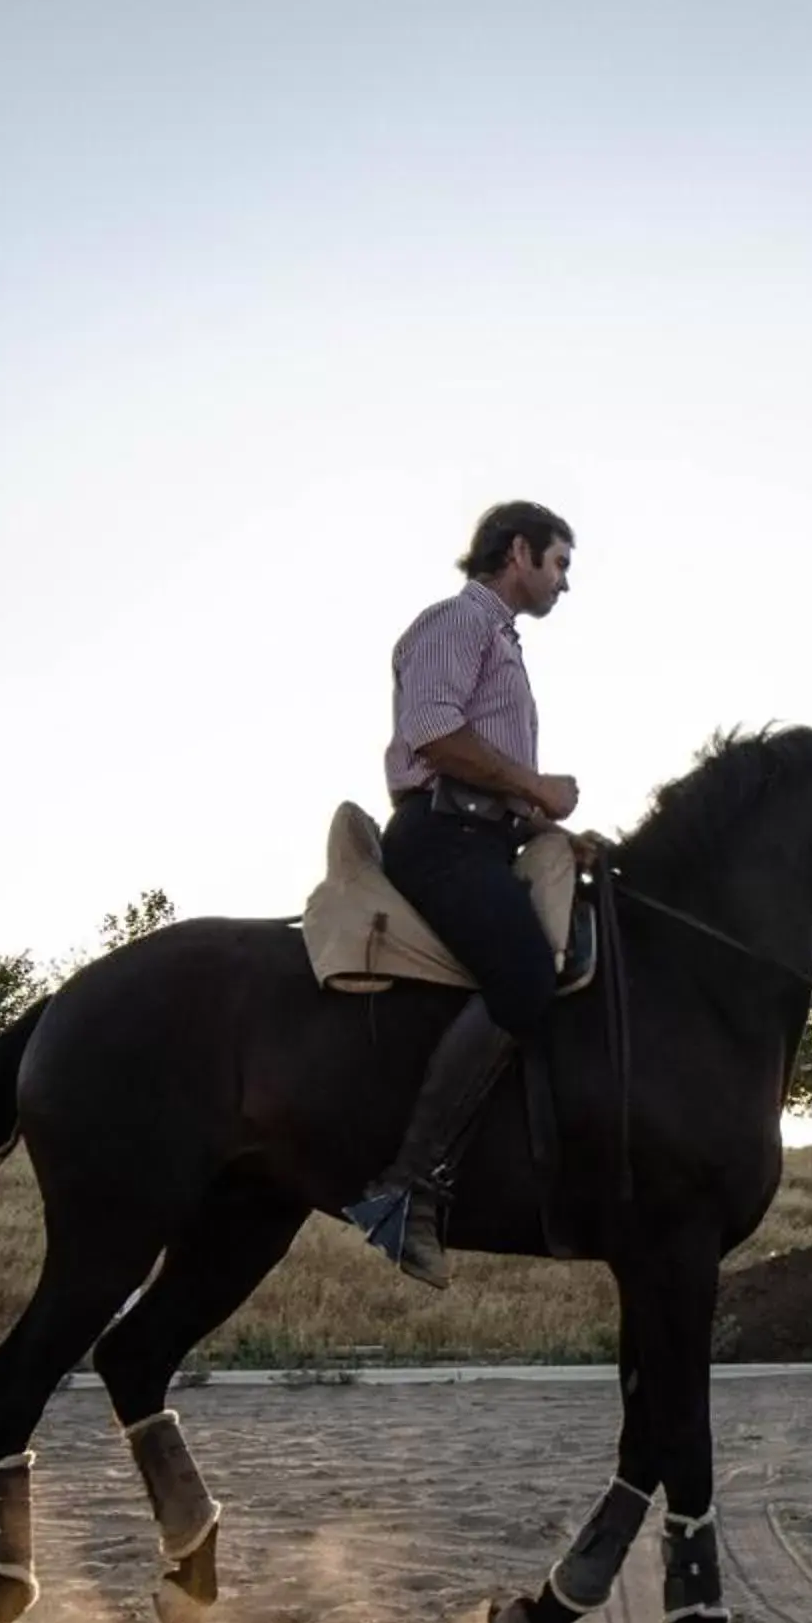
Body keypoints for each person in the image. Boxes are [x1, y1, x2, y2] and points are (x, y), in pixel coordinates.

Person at [343, 501, 583, 1287]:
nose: (564, 583)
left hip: (485, 837)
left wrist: (543, 821)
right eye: (559, 563)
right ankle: (404, 1189)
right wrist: (537, 787)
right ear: (518, 551)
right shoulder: (456, 622)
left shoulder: (501, 643)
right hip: (442, 839)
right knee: (521, 979)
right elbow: (434, 734)